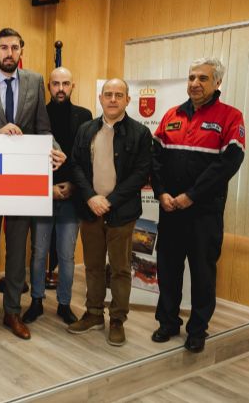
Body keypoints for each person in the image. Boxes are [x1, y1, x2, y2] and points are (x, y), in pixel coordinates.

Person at [0, 28, 66, 346]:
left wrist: (55, 148)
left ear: (21, 51)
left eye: (14, 47)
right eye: (3, 47)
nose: (9, 52)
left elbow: (43, 130)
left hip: (23, 180)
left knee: (18, 251)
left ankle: (13, 312)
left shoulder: (34, 81)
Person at [151, 58, 245, 353]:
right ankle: (167, 322)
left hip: (204, 213)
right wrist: (161, 192)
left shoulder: (231, 116)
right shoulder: (171, 115)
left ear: (217, 83)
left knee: (203, 274)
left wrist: (192, 195)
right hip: (170, 210)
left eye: (203, 78)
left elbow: (229, 162)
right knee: (167, 269)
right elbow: (154, 160)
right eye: (191, 77)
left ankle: (198, 329)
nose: (194, 83)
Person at [68, 78, 151, 346]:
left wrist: (110, 200)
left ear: (128, 100)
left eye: (119, 95)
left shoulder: (140, 133)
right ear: (100, 98)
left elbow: (140, 173)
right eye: (108, 94)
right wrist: (91, 197)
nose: (113, 99)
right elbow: (76, 166)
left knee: (120, 269)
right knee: (92, 267)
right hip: (90, 210)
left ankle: (117, 319)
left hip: (122, 213)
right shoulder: (86, 130)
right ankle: (93, 314)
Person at [23, 67, 92, 325]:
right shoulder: (35, 117)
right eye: (55, 84)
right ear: (48, 87)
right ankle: (37, 301)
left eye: (65, 83)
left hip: (72, 196)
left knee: (66, 254)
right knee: (39, 252)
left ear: (73, 86)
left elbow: (87, 158)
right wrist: (47, 188)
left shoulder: (85, 116)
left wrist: (74, 185)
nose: (60, 88)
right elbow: (28, 157)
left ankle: (64, 304)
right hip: (42, 194)